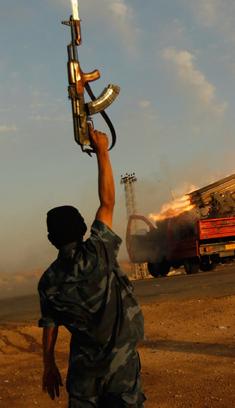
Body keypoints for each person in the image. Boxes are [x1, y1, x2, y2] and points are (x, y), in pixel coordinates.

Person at [38, 123, 146, 408]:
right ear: (83, 228)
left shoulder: (49, 281)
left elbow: (50, 326)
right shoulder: (98, 251)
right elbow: (107, 202)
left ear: (51, 239)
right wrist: (102, 152)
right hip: (121, 368)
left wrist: (49, 365)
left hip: (83, 374)